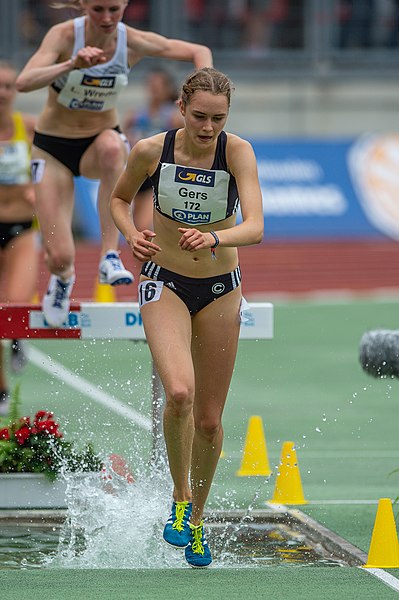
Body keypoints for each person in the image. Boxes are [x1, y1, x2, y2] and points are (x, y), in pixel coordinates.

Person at [111, 67, 264, 567]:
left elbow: (256, 227)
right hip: (165, 282)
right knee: (179, 391)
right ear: (181, 108)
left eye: (218, 119)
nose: (208, 127)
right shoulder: (150, 151)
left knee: (210, 419)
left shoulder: (236, 152)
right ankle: (179, 501)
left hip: (221, 287)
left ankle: (198, 520)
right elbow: (118, 199)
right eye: (199, 116)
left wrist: (216, 237)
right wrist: (132, 233)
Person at [15, 0, 213, 328]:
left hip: (98, 142)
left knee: (112, 146)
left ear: (124, 6)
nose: (106, 18)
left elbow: (199, 51)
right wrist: (71, 65)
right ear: (83, 7)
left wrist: (202, 95)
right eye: (98, 10)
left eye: (114, 9)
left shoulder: (131, 41)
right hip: (52, 148)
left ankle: (110, 256)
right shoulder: (64, 36)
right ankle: (63, 278)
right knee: (60, 254)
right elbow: (25, 81)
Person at [0, 61, 38, 416]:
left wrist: (39, 189)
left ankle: (16, 339)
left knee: (14, 305)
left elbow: (59, 161)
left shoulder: (26, 127)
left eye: (8, 86)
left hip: (21, 228)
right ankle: (1, 391)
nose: (2, 93)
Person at [123, 67, 183, 231]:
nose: (154, 89)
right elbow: (124, 139)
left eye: (158, 85)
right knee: (134, 228)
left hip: (158, 175)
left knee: (143, 227)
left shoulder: (174, 116)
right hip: (137, 172)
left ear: (167, 88)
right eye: (151, 85)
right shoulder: (136, 115)